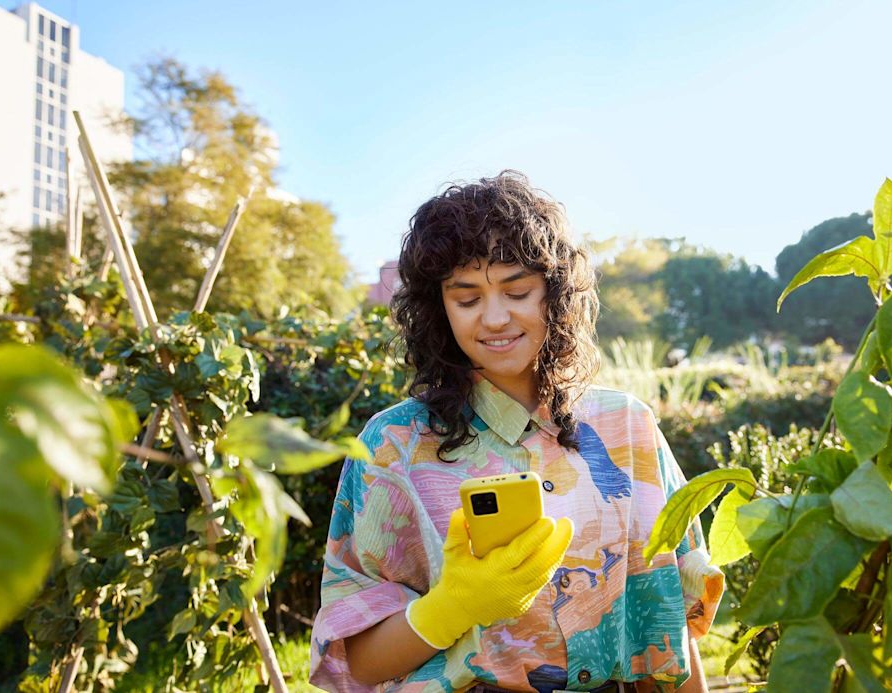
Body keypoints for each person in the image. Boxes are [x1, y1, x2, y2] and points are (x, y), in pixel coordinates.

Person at [309, 171, 724, 692]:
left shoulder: (629, 427)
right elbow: (360, 664)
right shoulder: (395, 445)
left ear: (555, 294)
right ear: (439, 310)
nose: (495, 318)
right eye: (467, 299)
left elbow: (671, 625)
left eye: (518, 290)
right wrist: (452, 606)